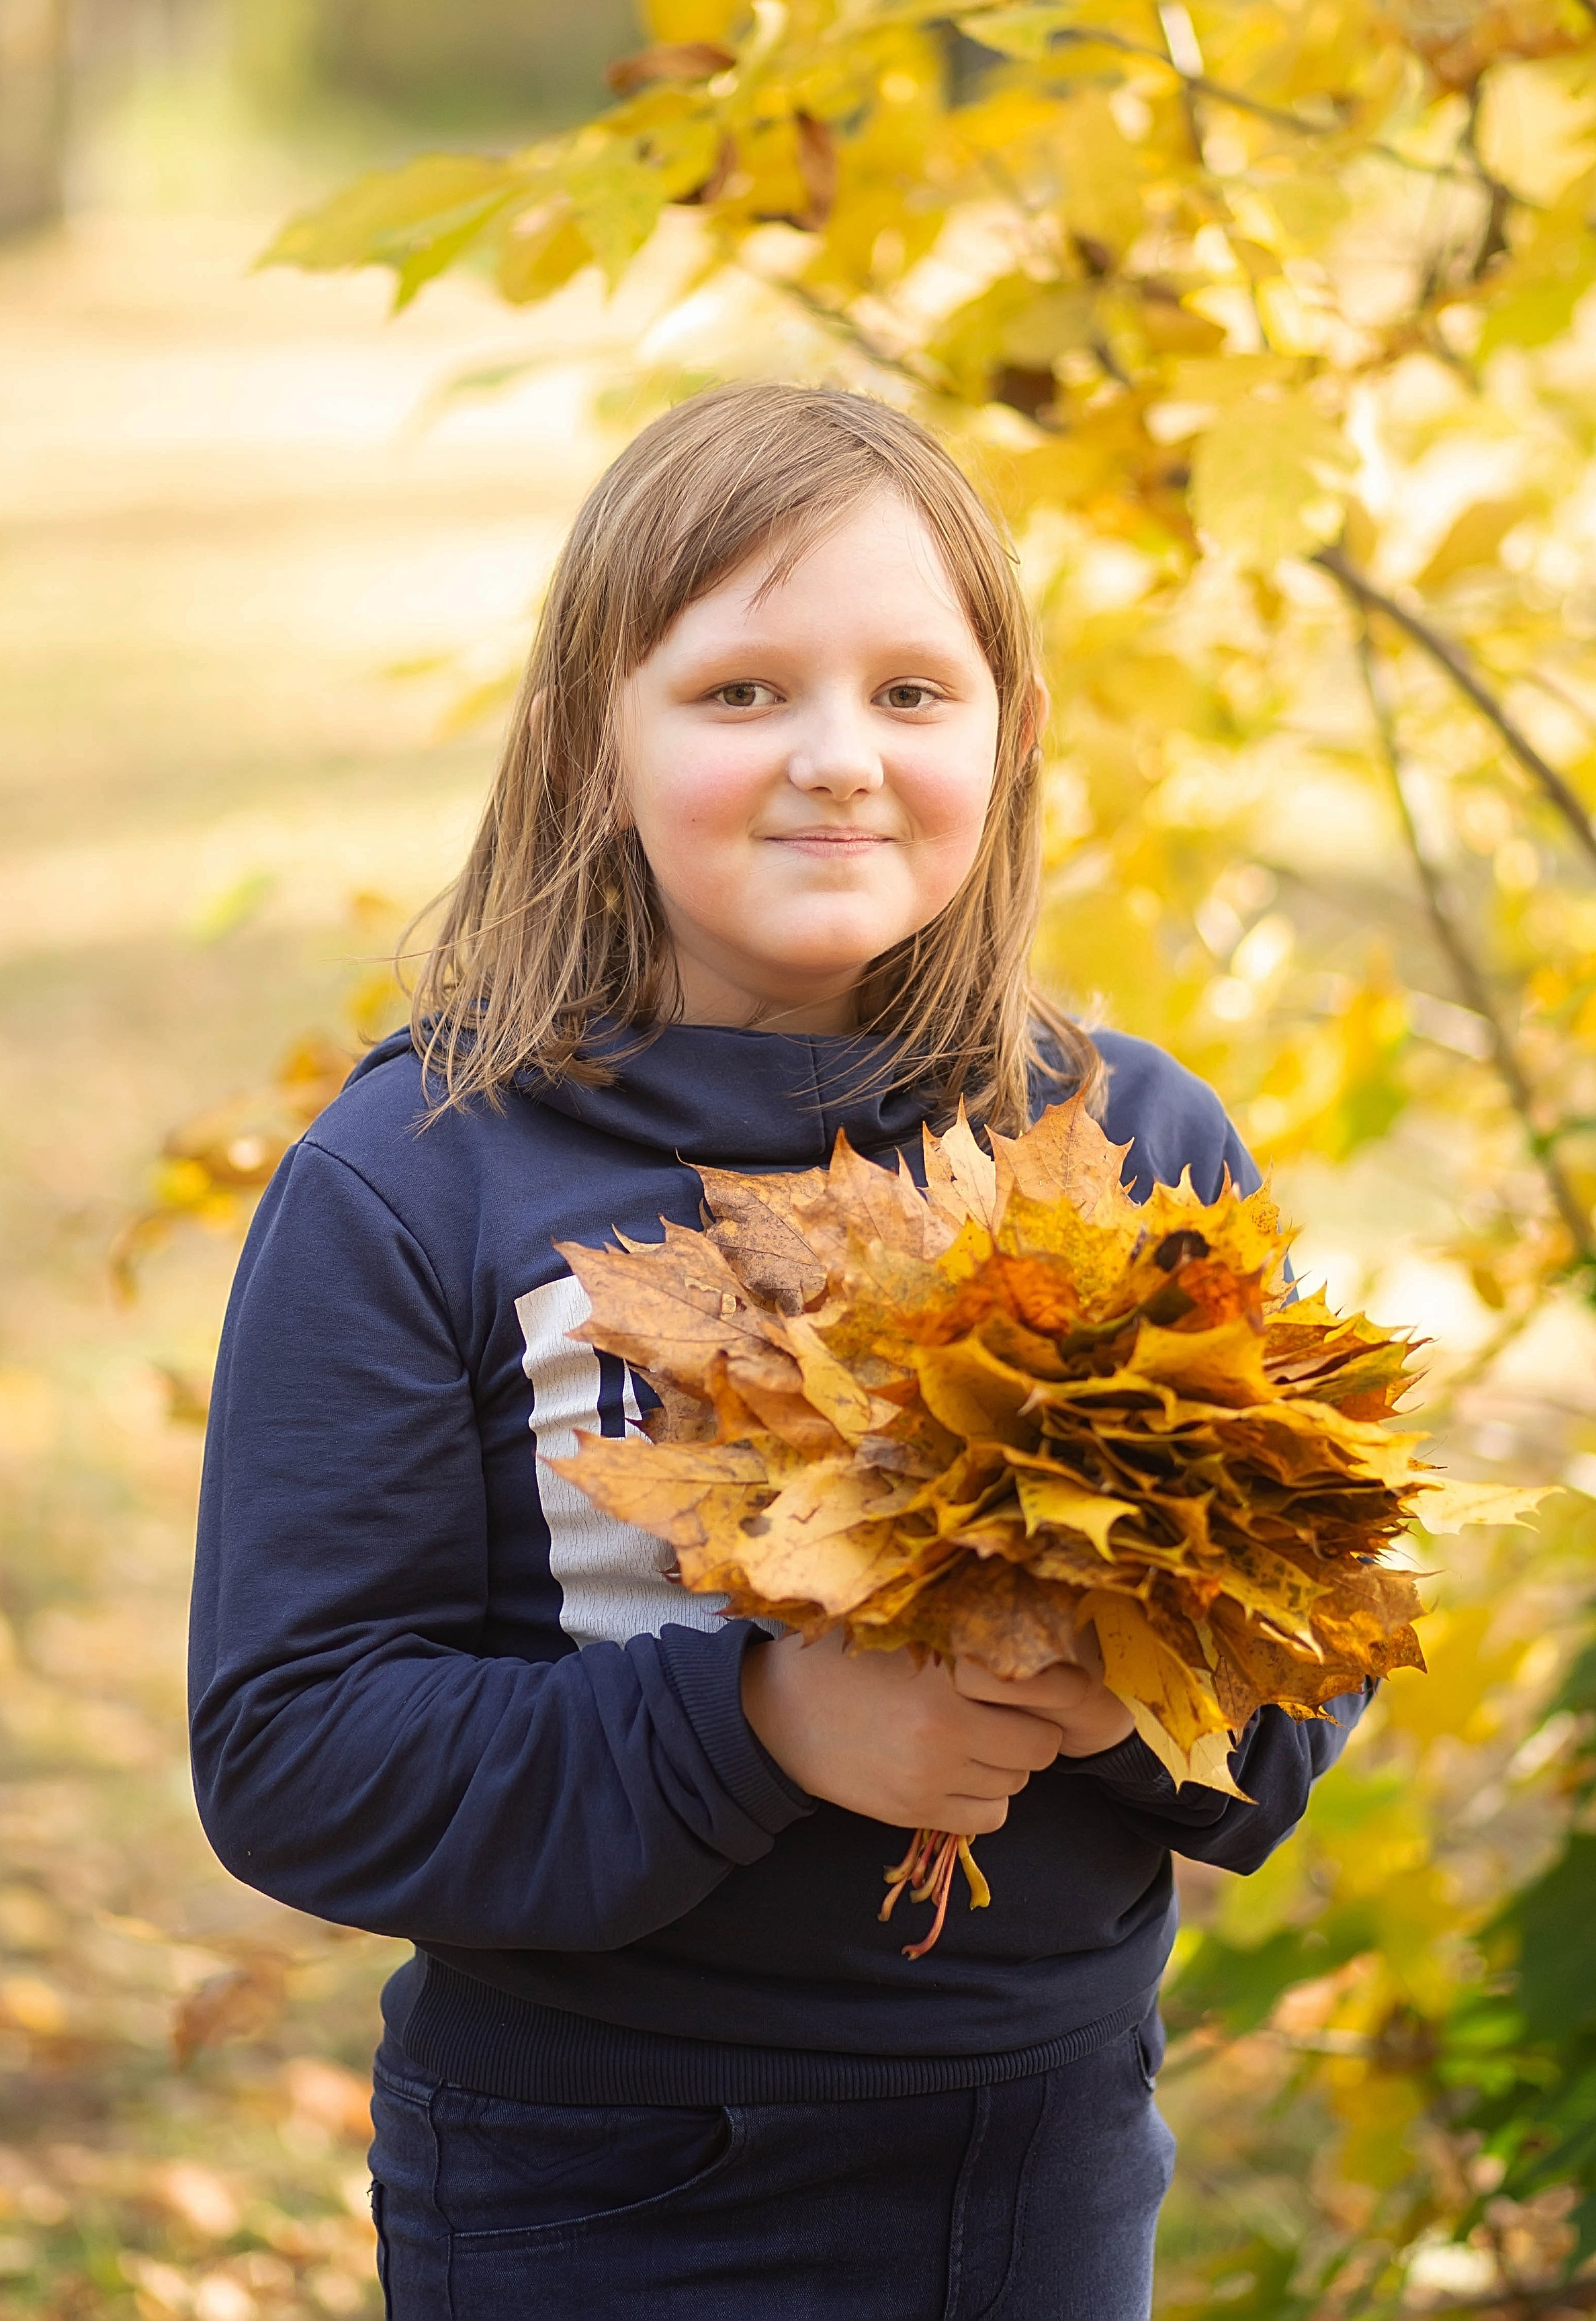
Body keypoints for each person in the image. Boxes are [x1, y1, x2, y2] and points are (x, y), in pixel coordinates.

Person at [189, 382, 1364, 2320]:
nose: (840, 758)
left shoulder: (1138, 1155)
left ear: (1009, 738)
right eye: (743, 692)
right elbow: (297, 1751)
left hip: (1047, 2158)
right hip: (601, 2183)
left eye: (915, 692)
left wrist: (1142, 1697)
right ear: (593, 742)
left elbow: (1295, 1679)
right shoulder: (419, 1180)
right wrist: (763, 1724)